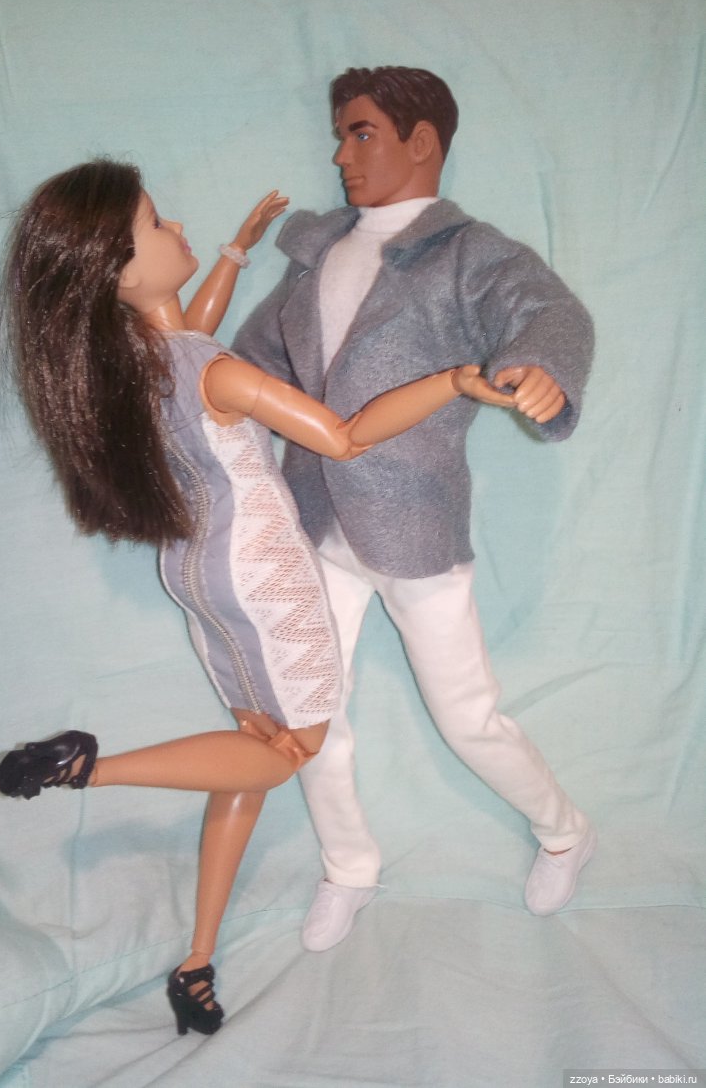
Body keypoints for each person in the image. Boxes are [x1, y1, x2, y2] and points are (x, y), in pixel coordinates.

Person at [0, 158, 514, 1035]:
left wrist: (234, 249)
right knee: (286, 753)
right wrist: (454, 380)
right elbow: (343, 436)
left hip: (197, 576)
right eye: (157, 225)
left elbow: (194, 332)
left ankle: (195, 958)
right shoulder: (212, 370)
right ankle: (88, 766)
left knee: (251, 752)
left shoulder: (135, 365)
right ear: (120, 271)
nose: (176, 228)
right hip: (263, 577)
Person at [233, 66, 597, 953]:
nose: (340, 154)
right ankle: (349, 865)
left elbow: (549, 312)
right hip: (316, 518)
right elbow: (256, 361)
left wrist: (539, 366)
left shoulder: (468, 254)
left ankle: (564, 829)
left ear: (421, 141)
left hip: (414, 522)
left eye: (360, 133)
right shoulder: (316, 254)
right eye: (340, 135)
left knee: (466, 712)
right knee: (311, 709)